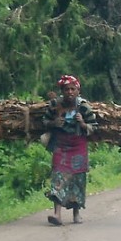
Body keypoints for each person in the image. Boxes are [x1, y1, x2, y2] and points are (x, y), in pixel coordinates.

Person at [42, 74, 97, 225]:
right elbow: (44, 121)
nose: (70, 92)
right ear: (62, 90)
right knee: (58, 176)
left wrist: (83, 123)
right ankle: (57, 214)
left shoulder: (84, 106)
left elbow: (94, 126)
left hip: (78, 146)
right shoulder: (54, 105)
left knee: (77, 179)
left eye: (73, 89)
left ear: (78, 91)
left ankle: (76, 213)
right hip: (61, 146)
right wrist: (53, 123)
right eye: (67, 89)